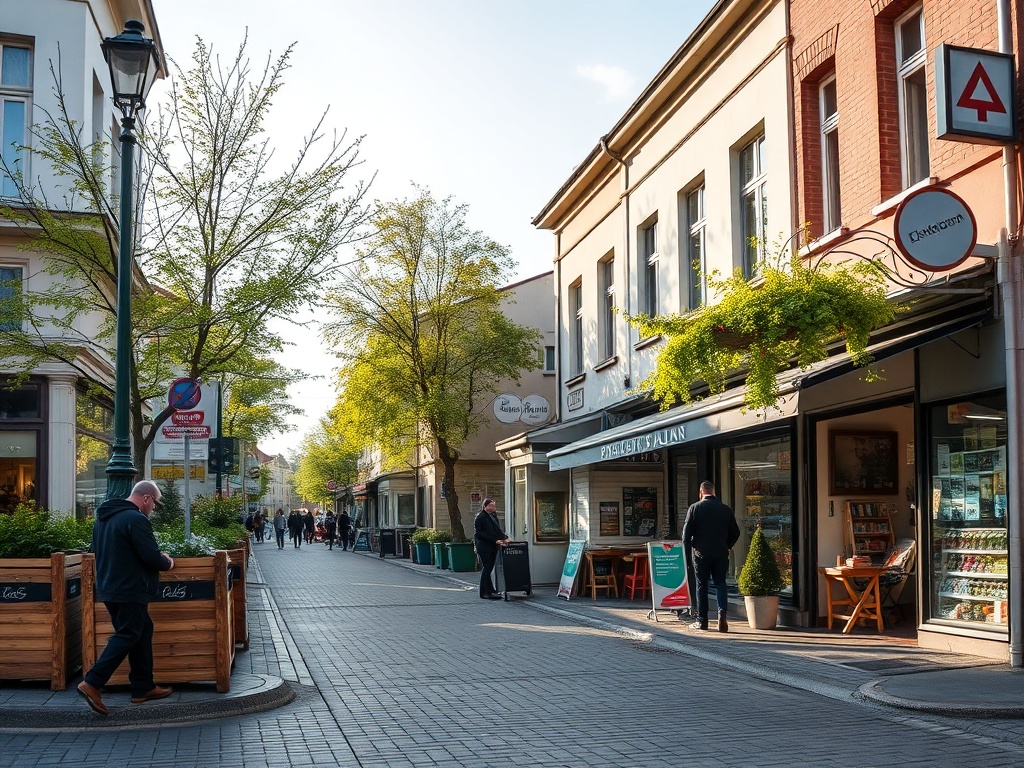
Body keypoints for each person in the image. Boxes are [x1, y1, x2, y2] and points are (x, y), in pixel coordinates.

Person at [76, 480, 175, 716]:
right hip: (131, 588)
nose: (153, 509)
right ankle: (93, 682)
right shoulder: (136, 519)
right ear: (146, 499)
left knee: (142, 629)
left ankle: (143, 687)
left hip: (110, 586)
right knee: (128, 633)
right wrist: (167, 561)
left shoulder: (104, 518)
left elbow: (99, 550)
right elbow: (150, 556)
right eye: (155, 504)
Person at [681, 481, 740, 632]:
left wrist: (689, 552)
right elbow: (736, 532)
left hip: (701, 554)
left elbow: (686, 536)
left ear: (701, 493)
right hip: (720, 553)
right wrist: (727, 545)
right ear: (714, 492)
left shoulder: (695, 508)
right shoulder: (725, 509)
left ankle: (703, 621)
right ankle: (722, 613)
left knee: (702, 585)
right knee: (720, 583)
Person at [474, 498, 509, 600]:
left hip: (492, 546)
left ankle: (490, 590)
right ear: (485, 506)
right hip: (485, 547)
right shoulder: (481, 517)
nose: (493, 507)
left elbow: (496, 530)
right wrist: (494, 540)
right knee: (487, 568)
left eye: (494, 506)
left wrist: (504, 538)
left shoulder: (493, 516)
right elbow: (479, 533)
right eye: (491, 506)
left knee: (488, 569)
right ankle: (484, 592)